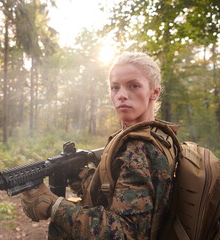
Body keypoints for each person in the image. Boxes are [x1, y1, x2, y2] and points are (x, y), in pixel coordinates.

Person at [20, 52, 179, 239]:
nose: (122, 95)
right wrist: (84, 178)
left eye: (133, 86)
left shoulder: (138, 149)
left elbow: (127, 233)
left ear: (154, 92)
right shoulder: (160, 135)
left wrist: (53, 206)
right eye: (115, 88)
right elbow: (122, 197)